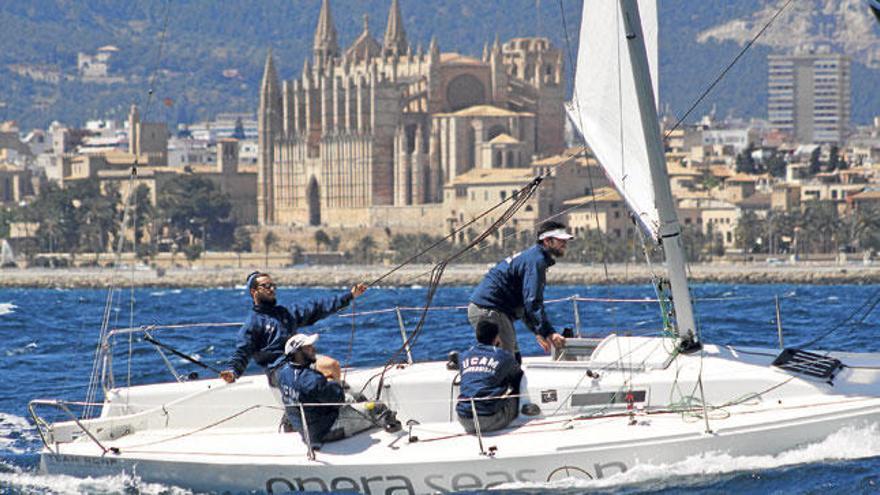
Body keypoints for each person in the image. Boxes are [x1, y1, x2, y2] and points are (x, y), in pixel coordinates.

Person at [220, 271, 367, 386]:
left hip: (299, 360)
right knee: (325, 368)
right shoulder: (253, 323)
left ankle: (336, 408)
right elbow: (242, 352)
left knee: (332, 365)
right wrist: (233, 372)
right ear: (254, 292)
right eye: (266, 286)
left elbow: (317, 308)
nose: (272, 289)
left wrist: (350, 296)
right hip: (278, 370)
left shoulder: (285, 313)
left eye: (273, 286)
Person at [468, 221, 570, 361]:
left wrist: (538, 332)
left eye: (566, 240)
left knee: (512, 359)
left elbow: (524, 302)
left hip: (489, 310)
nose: (565, 243)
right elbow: (532, 302)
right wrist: (549, 333)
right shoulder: (536, 261)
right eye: (561, 240)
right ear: (547, 241)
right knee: (508, 362)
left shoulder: (533, 257)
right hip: (491, 310)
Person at [277, 333, 400, 444]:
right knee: (378, 407)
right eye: (308, 347)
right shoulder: (312, 380)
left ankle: (289, 424)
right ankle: (392, 426)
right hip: (328, 430)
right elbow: (339, 400)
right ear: (298, 353)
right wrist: (333, 381)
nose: (314, 349)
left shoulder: (282, 373)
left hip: (305, 427)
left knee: (357, 397)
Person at [456, 320, 523, 433]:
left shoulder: (463, 356)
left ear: (477, 337)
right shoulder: (503, 356)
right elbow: (518, 377)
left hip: (463, 418)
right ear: (497, 338)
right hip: (490, 419)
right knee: (516, 398)